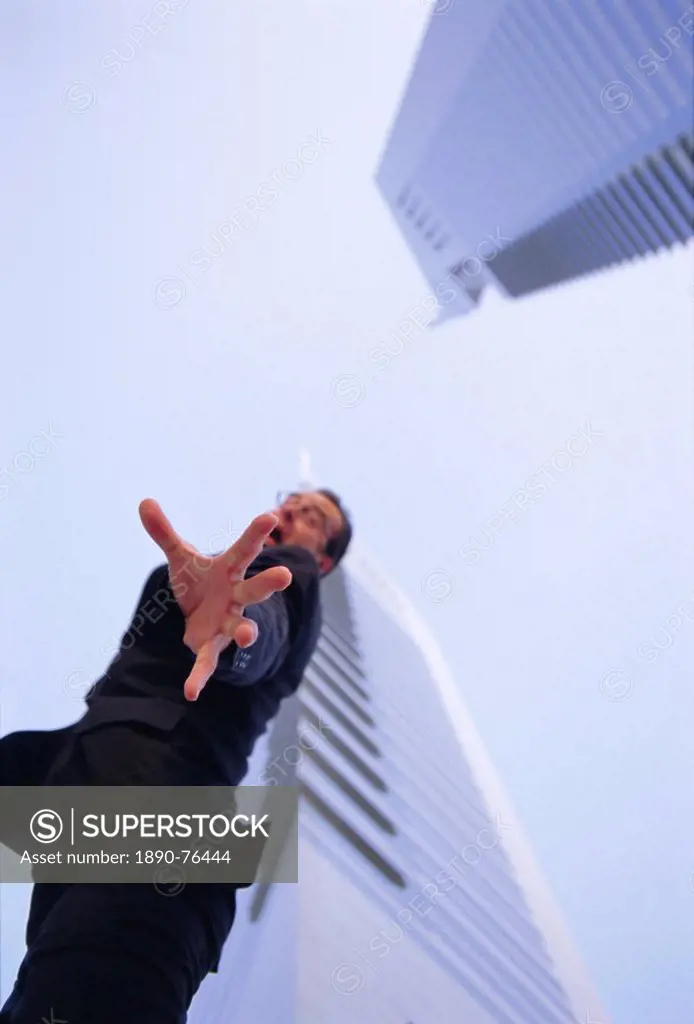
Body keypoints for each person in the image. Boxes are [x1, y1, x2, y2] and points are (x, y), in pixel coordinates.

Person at [0, 488, 352, 1024]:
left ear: (323, 556)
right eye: (292, 501)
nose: (293, 512)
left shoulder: (290, 573)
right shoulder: (204, 579)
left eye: (314, 516)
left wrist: (234, 630)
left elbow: (267, 627)